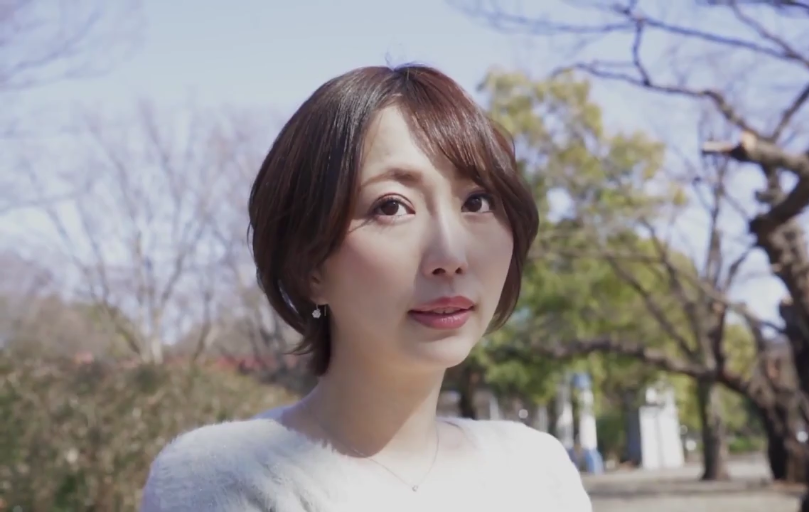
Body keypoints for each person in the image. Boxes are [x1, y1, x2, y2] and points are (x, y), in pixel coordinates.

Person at [140, 64, 592, 512]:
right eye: (392, 207)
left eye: (477, 201)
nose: (451, 254)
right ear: (310, 266)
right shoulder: (224, 479)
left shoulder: (537, 471)